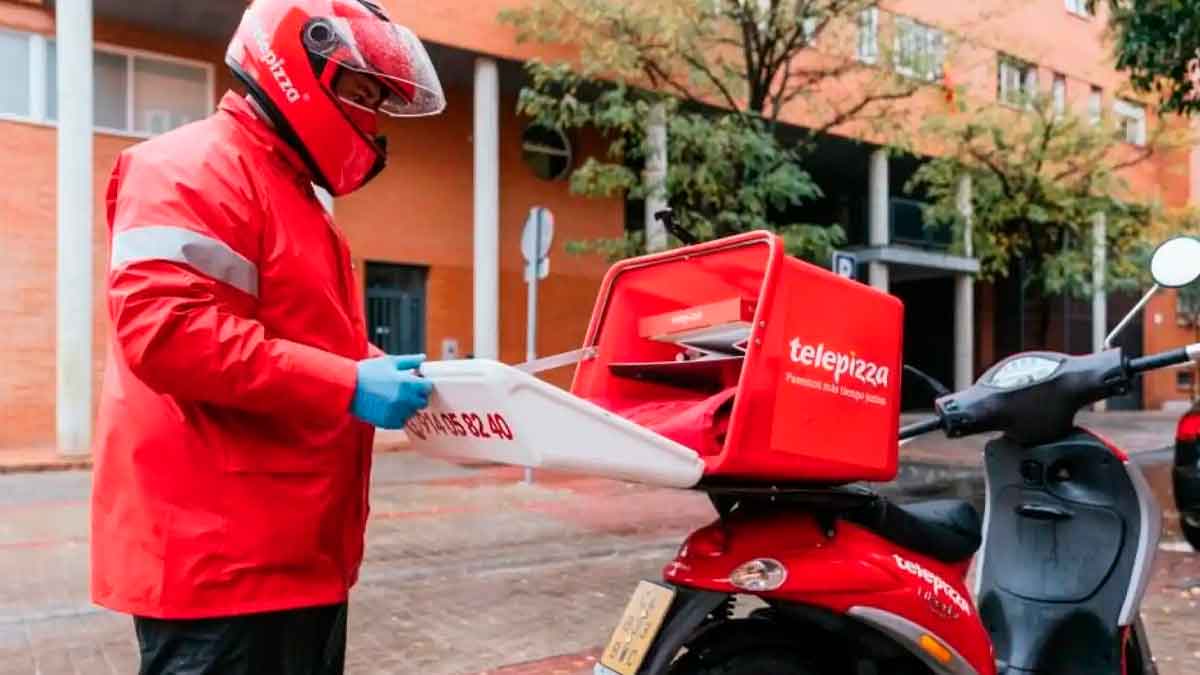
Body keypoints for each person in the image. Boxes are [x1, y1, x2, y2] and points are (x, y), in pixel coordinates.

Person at [90, 1, 446, 672]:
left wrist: (372, 364)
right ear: (296, 64)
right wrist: (349, 382)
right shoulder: (191, 168)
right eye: (360, 94)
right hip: (221, 574)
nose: (369, 121)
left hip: (291, 561)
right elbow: (166, 331)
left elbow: (291, 334)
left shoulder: (290, 195)